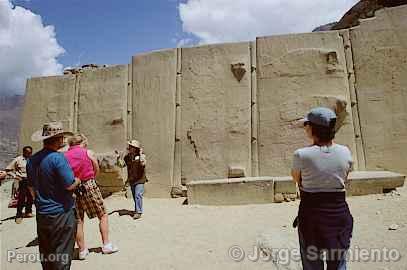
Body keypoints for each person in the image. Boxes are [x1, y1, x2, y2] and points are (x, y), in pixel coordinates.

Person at [291, 107, 354, 270]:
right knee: (338, 262)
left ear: (312, 128)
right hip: (339, 215)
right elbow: (345, 178)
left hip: (312, 217)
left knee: (312, 263)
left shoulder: (301, 155)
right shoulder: (345, 152)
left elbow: (297, 179)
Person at [27, 121, 81, 270]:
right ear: (58, 139)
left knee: (47, 255)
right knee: (62, 255)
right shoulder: (58, 158)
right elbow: (69, 185)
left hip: (42, 213)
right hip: (61, 213)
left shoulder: (32, 160)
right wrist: (78, 180)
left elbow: (31, 187)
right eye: (61, 137)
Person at [64, 134, 118, 260]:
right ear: (82, 142)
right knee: (102, 214)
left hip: (73, 187)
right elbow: (96, 169)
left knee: (78, 219)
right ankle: (106, 245)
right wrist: (91, 178)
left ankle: (82, 250)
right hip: (89, 185)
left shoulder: (64, 156)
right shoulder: (88, 152)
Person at [117, 140, 147, 220]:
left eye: (131, 147)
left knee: (138, 195)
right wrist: (118, 158)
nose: (129, 148)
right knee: (135, 196)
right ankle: (137, 209)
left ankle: (138, 212)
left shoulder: (141, 156)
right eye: (129, 146)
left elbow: (143, 163)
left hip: (140, 179)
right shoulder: (127, 157)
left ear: (135, 148)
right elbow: (122, 165)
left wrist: (140, 154)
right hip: (132, 179)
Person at [5, 146, 34, 223]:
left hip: (31, 180)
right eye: (28, 152)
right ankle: (19, 215)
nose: (30, 154)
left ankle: (28, 212)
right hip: (23, 180)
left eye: (30, 152)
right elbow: (8, 169)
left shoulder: (32, 159)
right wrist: (16, 176)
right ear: (24, 152)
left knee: (30, 197)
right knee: (21, 198)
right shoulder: (18, 160)